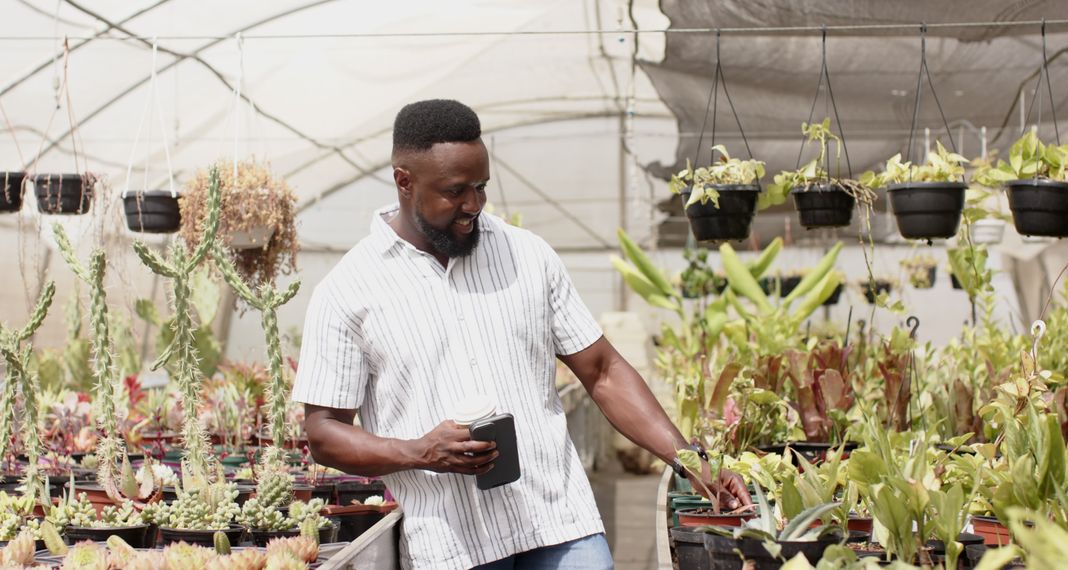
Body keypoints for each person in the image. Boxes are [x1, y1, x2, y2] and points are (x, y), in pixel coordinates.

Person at [293, 99, 749, 570]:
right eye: (455, 191)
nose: (473, 204)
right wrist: (421, 451)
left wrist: (694, 463)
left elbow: (604, 371)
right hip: (452, 542)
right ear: (403, 181)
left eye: (481, 186)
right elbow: (324, 431)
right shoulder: (348, 290)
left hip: (557, 524)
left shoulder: (527, 255)